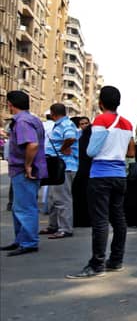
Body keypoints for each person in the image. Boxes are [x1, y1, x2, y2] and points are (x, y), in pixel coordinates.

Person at [67, 86, 135, 278]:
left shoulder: (101, 120)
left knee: (100, 221)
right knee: (119, 218)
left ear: (100, 103)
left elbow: (91, 151)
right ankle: (116, 260)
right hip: (120, 175)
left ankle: (97, 264)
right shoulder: (128, 124)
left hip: (100, 175)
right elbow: (131, 152)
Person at [1, 91, 47, 256]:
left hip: (24, 170)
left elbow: (32, 145)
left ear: (10, 104)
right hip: (23, 169)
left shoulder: (22, 121)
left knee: (25, 207)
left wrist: (27, 165)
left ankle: (28, 242)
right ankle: (21, 239)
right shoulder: (32, 119)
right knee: (19, 207)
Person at [40, 104, 79, 239]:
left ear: (52, 113)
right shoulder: (60, 124)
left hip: (65, 166)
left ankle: (65, 228)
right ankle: (53, 225)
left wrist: (64, 147)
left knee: (62, 199)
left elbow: (71, 137)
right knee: (52, 198)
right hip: (56, 166)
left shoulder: (66, 124)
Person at [72, 119, 93, 227]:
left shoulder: (80, 140)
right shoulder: (92, 140)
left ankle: (78, 220)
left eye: (86, 123)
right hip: (89, 171)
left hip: (81, 171)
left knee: (79, 196)